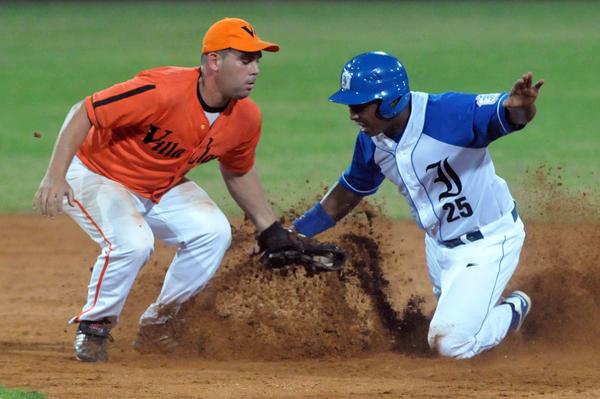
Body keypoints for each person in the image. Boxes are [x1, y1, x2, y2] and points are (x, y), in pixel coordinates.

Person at [33, 17, 301, 363]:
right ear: (214, 61)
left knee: (213, 232)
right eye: (245, 59)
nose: (255, 70)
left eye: (257, 61)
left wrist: (269, 226)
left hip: (157, 185)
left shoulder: (246, 118)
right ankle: (95, 325)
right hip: (96, 173)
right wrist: (55, 175)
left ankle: (159, 324)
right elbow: (85, 111)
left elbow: (239, 170)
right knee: (133, 241)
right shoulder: (162, 89)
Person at [293, 51, 544, 359]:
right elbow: (348, 192)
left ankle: (515, 308)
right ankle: (483, 312)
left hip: (488, 242)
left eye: (360, 105)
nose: (352, 114)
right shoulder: (372, 140)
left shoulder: (449, 113)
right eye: (350, 105)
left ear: (390, 102)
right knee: (459, 324)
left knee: (449, 344)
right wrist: (297, 232)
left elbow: (507, 115)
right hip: (438, 250)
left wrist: (522, 108)